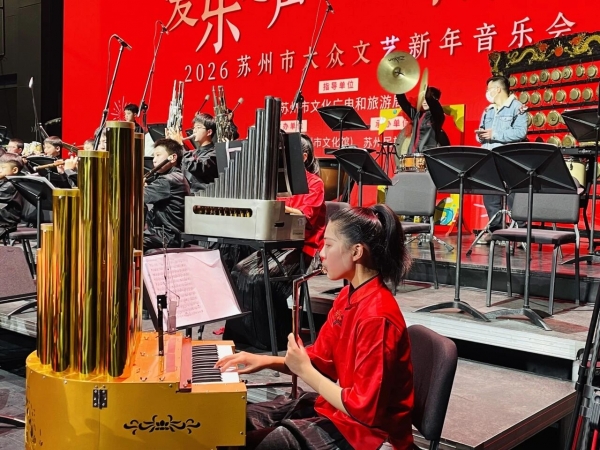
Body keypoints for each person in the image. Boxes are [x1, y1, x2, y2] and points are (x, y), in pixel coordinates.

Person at [217, 204, 415, 450]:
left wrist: (304, 371)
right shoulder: (347, 296)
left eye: (329, 245)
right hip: (342, 415)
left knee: (248, 443)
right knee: (237, 419)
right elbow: (321, 361)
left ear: (356, 252)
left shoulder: (377, 316)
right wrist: (263, 361)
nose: (321, 253)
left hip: (368, 436)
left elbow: (363, 409)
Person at [223, 134, 327, 350]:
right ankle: (243, 338)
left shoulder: (314, 183)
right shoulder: (276, 183)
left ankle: (270, 339)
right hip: (275, 245)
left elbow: (303, 215)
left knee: (257, 279)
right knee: (238, 272)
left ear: (304, 157)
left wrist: (270, 206)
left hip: (303, 249)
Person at [476, 75, 528, 242]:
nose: (487, 93)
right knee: (490, 195)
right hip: (488, 158)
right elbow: (481, 131)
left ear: (497, 89)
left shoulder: (517, 107)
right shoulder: (488, 110)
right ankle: (495, 230)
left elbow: (520, 132)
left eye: (488, 89)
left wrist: (495, 134)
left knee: (514, 196)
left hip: (509, 159)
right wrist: (480, 136)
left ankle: (519, 231)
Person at [143, 138, 190, 251]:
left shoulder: (168, 180)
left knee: (126, 243)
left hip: (166, 236)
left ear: (173, 158)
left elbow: (137, 198)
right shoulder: (176, 177)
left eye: (158, 155)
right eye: (153, 156)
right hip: (164, 234)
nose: (154, 160)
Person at [167, 113, 219, 194]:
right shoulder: (192, 153)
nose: (194, 131)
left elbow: (196, 167)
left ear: (209, 132)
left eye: (198, 127)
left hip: (202, 196)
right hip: (186, 195)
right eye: (194, 128)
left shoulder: (215, 153)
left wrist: (180, 145)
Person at [396, 86, 448, 154]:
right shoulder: (417, 115)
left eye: (427, 99)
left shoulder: (437, 116)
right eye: (423, 99)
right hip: (412, 155)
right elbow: (404, 103)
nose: (424, 101)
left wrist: (427, 92)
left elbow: (434, 105)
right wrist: (399, 87)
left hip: (427, 154)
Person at [0, 153, 25, 237]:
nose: (0, 170)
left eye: (3, 168)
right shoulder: (4, 182)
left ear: (14, 170)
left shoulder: (11, 185)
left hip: (6, 223)